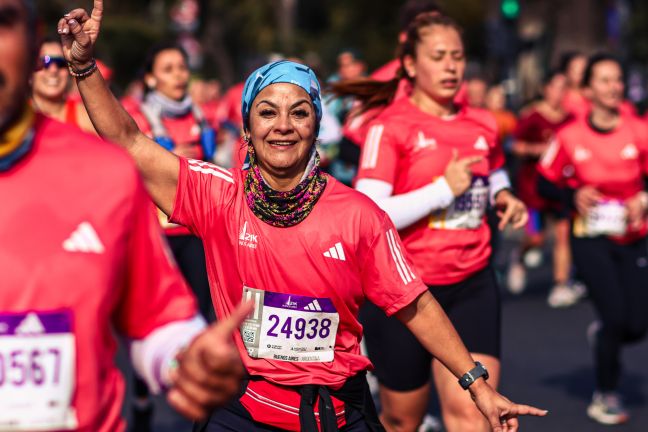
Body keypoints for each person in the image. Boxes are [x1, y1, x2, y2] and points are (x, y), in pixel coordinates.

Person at [58, 2, 548, 431]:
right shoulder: (216, 194)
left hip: (337, 412)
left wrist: (478, 386)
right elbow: (127, 140)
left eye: (299, 113)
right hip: (241, 412)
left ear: (316, 126)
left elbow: (413, 304)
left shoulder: (358, 215)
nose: (283, 127)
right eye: (267, 112)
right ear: (247, 128)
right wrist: (83, 68)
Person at [0, 0, 252, 430]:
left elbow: (156, 320)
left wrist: (183, 360)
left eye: (2, 22)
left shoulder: (104, 173)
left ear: (31, 36)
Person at [334, 13, 529, 432]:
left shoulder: (480, 121)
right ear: (409, 65)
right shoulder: (389, 127)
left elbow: (492, 166)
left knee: (475, 414)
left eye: (457, 56)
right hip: (405, 293)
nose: (451, 66)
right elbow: (369, 211)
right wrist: (443, 189)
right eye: (438, 56)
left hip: (472, 283)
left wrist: (503, 194)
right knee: (404, 420)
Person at [538, 53, 648, 425]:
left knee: (637, 324)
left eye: (618, 79)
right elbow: (542, 182)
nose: (613, 87)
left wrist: (643, 198)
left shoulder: (638, 129)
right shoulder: (569, 136)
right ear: (587, 90)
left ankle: (603, 332)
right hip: (590, 238)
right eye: (604, 80)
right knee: (616, 315)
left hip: (634, 236)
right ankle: (606, 394)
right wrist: (574, 197)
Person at [507, 70, 585, 306]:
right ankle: (518, 257)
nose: (561, 93)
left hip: (561, 186)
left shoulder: (570, 119)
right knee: (536, 237)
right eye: (557, 87)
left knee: (563, 233)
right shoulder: (532, 116)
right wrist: (537, 150)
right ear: (546, 89)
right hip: (533, 188)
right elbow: (512, 144)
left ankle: (561, 284)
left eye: (565, 88)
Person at [31, 36, 95, 133]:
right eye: (45, 62)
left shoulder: (88, 119)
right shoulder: (12, 117)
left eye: (61, 63)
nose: (53, 70)